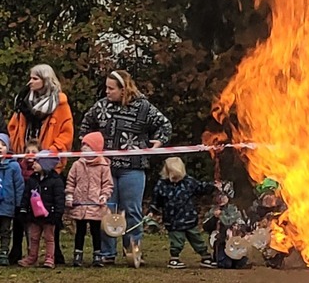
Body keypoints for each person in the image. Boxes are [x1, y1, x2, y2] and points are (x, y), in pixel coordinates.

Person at [79, 70, 172, 267]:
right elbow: (86, 124)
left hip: (134, 167)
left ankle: (133, 250)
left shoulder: (143, 107)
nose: (107, 92)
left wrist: (157, 142)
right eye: (106, 87)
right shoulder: (101, 106)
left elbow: (165, 125)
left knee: (132, 210)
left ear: (123, 90)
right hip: (105, 168)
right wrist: (89, 146)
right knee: (107, 210)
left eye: (111, 88)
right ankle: (107, 253)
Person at [150, 157, 218, 268]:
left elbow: (200, 188)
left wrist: (213, 186)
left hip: (189, 218)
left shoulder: (189, 182)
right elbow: (156, 199)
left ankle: (205, 257)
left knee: (197, 239)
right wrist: (153, 210)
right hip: (172, 221)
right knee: (177, 241)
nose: (176, 178)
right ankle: (174, 258)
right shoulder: (161, 185)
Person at [65, 133, 113, 266]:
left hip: (96, 206)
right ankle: (77, 254)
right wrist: (69, 195)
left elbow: (107, 184)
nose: (84, 148)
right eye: (83, 145)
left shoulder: (104, 166)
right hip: (80, 205)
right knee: (79, 231)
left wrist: (104, 196)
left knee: (95, 231)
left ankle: (98, 254)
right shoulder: (76, 165)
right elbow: (70, 182)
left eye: (88, 145)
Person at [7, 62, 74, 159]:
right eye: (30, 78)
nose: (30, 82)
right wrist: (15, 145)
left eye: (35, 79)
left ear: (46, 80)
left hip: (48, 161)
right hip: (22, 159)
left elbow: (66, 133)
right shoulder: (22, 101)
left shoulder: (59, 103)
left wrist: (52, 151)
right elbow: (12, 127)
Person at [20, 150, 66, 268]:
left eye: (37, 161)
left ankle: (50, 258)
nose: (33, 164)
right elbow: (26, 195)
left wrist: (57, 214)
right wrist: (24, 208)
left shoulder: (56, 181)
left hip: (49, 216)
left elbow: (59, 199)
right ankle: (32, 257)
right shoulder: (32, 180)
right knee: (33, 237)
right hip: (34, 215)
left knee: (49, 238)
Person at [0, 138, 25, 266]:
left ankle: (4, 252)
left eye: (3, 145)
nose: (0, 147)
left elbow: (19, 186)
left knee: (5, 230)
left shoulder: (14, 166)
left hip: (7, 205)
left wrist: (18, 204)